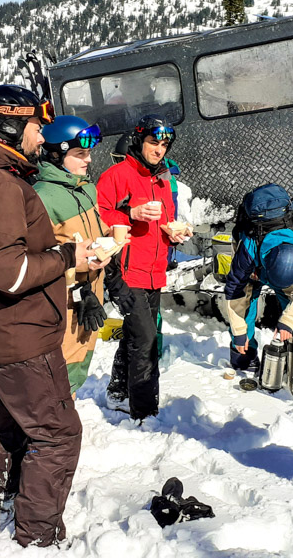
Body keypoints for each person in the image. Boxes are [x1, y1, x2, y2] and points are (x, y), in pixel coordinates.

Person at [0, 84, 91, 548]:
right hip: (21, 332)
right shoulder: (2, 186)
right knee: (58, 434)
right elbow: (10, 273)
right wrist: (68, 257)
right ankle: (38, 534)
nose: (40, 134)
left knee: (5, 419)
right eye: (35, 124)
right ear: (10, 126)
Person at [98, 114, 192, 420]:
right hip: (127, 270)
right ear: (139, 141)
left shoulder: (162, 179)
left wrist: (174, 233)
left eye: (164, 144)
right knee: (146, 340)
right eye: (154, 142)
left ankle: (117, 390)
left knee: (135, 334)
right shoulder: (116, 175)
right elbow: (98, 218)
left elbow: (163, 223)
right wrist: (129, 213)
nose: (159, 149)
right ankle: (144, 412)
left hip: (154, 269)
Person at [33, 115, 135, 395]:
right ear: (57, 154)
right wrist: (79, 291)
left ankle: (64, 424)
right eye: (80, 154)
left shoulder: (87, 189)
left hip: (92, 296)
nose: (88, 160)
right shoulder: (42, 198)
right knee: (59, 375)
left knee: (79, 365)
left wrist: (112, 277)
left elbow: (95, 240)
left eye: (88, 153)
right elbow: (39, 259)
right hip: (65, 303)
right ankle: (55, 432)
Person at [224, 184, 293, 372]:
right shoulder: (247, 252)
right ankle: (243, 357)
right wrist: (239, 333)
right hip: (254, 268)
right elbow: (235, 294)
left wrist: (287, 323)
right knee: (246, 307)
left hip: (275, 266)